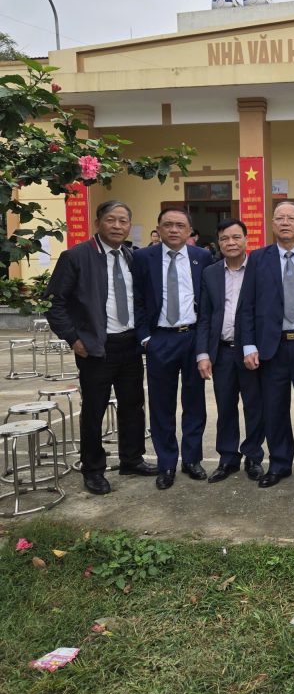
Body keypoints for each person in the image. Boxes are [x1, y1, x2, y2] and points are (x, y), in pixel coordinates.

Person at [44, 200, 156, 494]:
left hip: (130, 345)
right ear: (98, 223)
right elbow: (54, 304)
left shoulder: (131, 256)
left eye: (123, 221)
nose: (117, 226)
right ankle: (93, 469)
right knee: (94, 410)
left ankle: (132, 459)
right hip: (95, 348)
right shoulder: (76, 257)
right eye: (111, 220)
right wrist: (73, 338)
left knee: (133, 406)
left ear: (129, 226)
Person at [240, 201, 294, 488]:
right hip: (272, 346)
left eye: (292, 218)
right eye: (280, 218)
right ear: (272, 223)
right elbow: (247, 305)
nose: (285, 222)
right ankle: (279, 463)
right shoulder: (258, 258)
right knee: (274, 407)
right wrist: (248, 345)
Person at [132, 207, 212, 490]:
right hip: (160, 339)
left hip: (192, 337)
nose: (174, 230)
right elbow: (136, 299)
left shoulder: (202, 257)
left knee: (194, 403)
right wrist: (145, 338)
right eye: (168, 225)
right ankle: (166, 463)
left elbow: (210, 299)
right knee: (161, 404)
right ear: (159, 228)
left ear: (190, 231)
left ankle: (192, 459)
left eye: (180, 225)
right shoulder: (143, 258)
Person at [196, 218, 265, 483]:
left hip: (252, 352)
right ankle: (227, 458)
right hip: (222, 351)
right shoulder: (210, 273)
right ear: (218, 243)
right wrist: (203, 353)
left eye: (236, 237)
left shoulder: (259, 270)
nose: (231, 243)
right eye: (225, 238)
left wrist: (255, 345)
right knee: (225, 407)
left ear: (246, 240)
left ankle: (253, 457)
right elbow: (205, 316)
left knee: (254, 406)